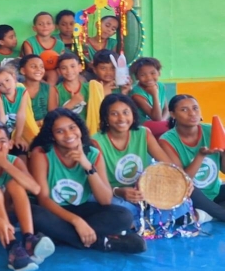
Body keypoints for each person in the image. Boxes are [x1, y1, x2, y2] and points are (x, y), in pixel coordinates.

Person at [28, 109, 146, 253]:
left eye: (72, 128)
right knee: (34, 214)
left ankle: (59, 237)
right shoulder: (42, 154)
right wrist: (77, 222)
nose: (68, 135)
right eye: (60, 131)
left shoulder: (93, 154)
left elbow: (105, 200)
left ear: (79, 128)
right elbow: (43, 199)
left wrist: (86, 165)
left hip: (82, 208)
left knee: (124, 216)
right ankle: (103, 243)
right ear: (52, 136)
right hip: (54, 211)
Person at [92, 94, 191, 229]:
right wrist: (120, 191)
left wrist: (184, 180)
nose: (121, 118)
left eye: (126, 112)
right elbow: (100, 187)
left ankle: (134, 223)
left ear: (133, 114)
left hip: (144, 193)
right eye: (114, 114)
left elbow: (169, 166)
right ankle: (143, 220)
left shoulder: (143, 133)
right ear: (105, 118)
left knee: (184, 204)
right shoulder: (96, 142)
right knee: (123, 209)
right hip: (114, 195)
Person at [0, 122, 53, 271]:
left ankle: (28, 239)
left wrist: (4, 163)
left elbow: (35, 189)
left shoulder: (16, 161)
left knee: (15, 184)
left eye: (2, 141)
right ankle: (12, 247)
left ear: (10, 144)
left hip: (11, 215)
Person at [160, 95, 225, 221]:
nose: (192, 113)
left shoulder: (212, 130)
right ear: (172, 114)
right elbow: (182, 181)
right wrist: (201, 155)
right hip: (190, 195)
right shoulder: (167, 140)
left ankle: (204, 215)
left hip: (214, 191)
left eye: (195, 108)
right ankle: (217, 213)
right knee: (188, 189)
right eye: (184, 110)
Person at [0, 66, 31, 151]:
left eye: (7, 80)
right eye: (0, 85)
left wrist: (18, 137)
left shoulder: (22, 91)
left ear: (14, 77)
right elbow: (1, 120)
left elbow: (21, 115)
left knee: (21, 149)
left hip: (14, 132)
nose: (6, 86)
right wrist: (6, 140)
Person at [21, 12, 65, 85]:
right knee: (52, 74)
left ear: (53, 27)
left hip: (54, 71)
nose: (45, 26)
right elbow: (29, 63)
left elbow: (62, 62)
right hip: (35, 71)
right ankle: (48, 90)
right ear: (34, 28)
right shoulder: (29, 43)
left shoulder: (60, 44)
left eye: (48, 23)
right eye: (40, 24)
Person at [130, 57, 169, 134]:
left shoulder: (161, 86)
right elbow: (156, 118)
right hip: (142, 126)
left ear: (159, 73)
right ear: (137, 77)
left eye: (152, 73)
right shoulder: (136, 94)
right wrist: (155, 94)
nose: (148, 78)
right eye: (143, 75)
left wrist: (163, 121)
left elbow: (166, 109)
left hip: (158, 123)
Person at [20, 54, 58, 124]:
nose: (38, 69)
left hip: (45, 126)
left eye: (41, 67)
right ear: (23, 71)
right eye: (33, 66)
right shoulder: (18, 89)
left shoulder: (49, 89)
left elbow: (52, 115)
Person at [56, 53, 90, 122]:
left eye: (72, 66)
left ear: (80, 67)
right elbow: (54, 116)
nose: (69, 71)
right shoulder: (56, 91)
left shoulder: (90, 87)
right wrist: (72, 103)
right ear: (59, 71)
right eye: (64, 68)